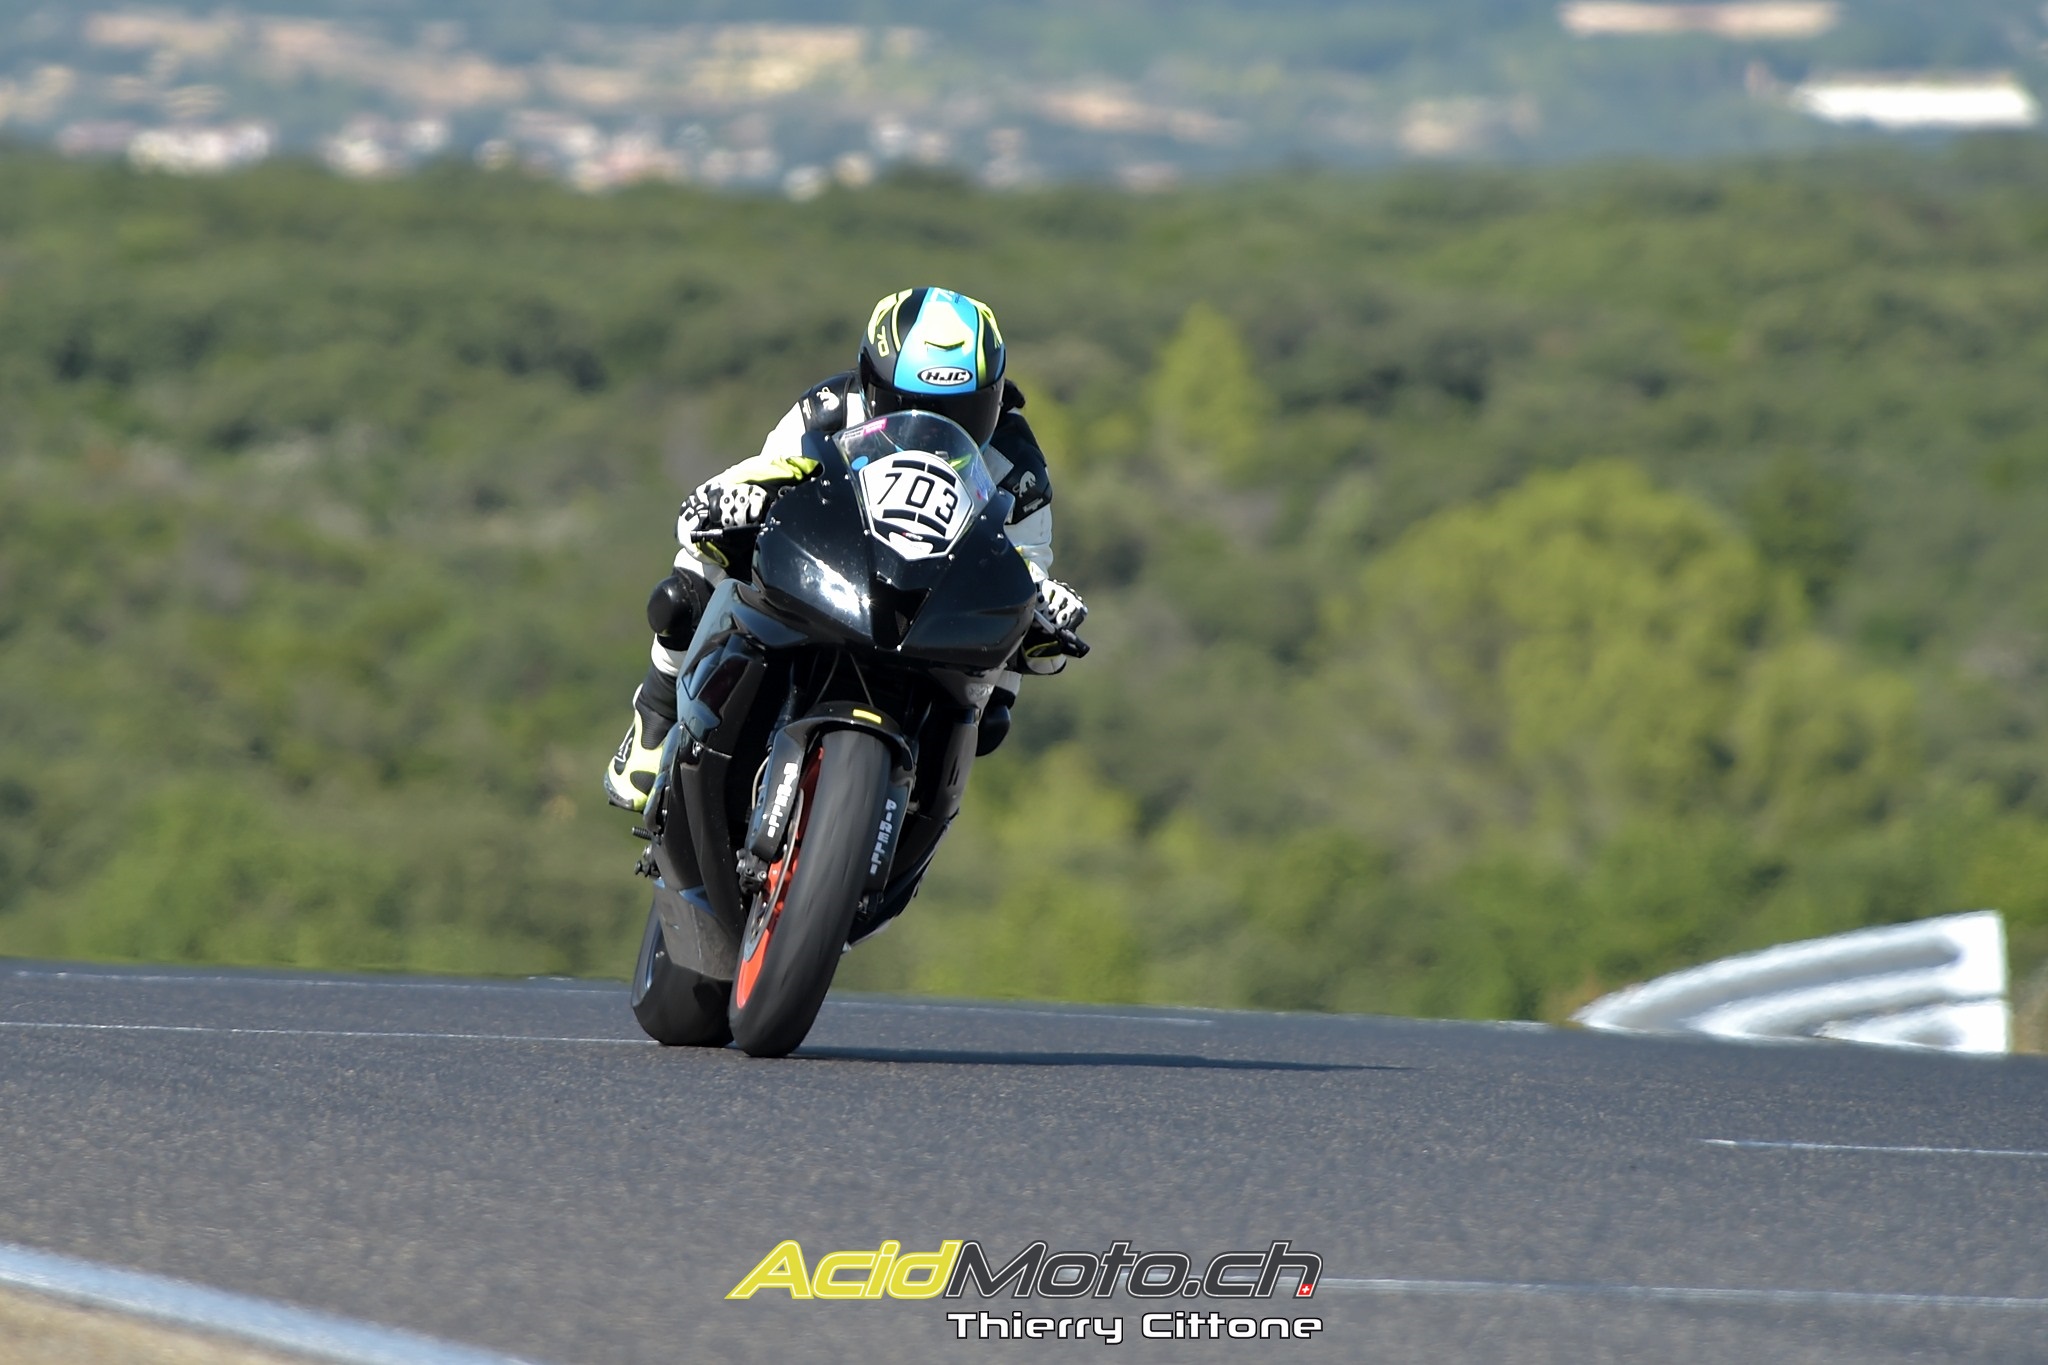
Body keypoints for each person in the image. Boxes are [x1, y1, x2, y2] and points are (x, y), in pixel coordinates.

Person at [605, 286, 1088, 812]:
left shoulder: (1018, 468)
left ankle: (903, 812)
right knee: (686, 589)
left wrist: (1046, 605)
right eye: (911, 406)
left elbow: (1026, 565)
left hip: (937, 612)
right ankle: (655, 719)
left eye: (962, 411)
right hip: (834, 574)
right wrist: (736, 499)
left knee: (994, 716)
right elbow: (764, 472)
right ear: (872, 382)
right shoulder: (829, 409)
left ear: (995, 399)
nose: (935, 430)